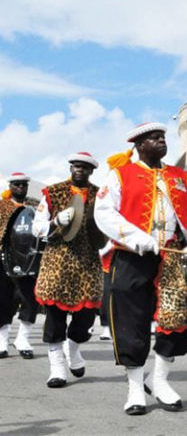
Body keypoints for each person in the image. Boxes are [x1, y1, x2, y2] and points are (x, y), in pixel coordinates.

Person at [95, 122, 187, 415]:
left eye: (163, 137)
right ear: (139, 144)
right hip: (131, 256)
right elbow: (104, 214)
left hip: (171, 256)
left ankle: (159, 381)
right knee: (131, 322)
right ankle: (135, 388)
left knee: (173, 320)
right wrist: (137, 239)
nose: (161, 141)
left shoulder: (178, 176)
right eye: (154, 138)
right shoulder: (120, 174)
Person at [32, 152, 106, 388]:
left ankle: (73, 350)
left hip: (88, 264)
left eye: (84, 167)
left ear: (91, 171)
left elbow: (108, 226)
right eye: (76, 166)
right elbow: (36, 228)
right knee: (54, 317)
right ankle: (57, 368)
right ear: (70, 167)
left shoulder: (100, 195)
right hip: (57, 263)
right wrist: (55, 222)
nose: (79, 170)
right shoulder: (52, 192)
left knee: (85, 318)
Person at [0, 172, 38, 359]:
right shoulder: (1, 207)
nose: (21, 188)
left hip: (28, 259)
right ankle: (2, 341)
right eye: (17, 184)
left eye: (23, 184)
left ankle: (22, 338)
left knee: (30, 299)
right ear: (10, 187)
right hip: (3, 259)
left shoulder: (35, 207)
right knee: (3, 300)